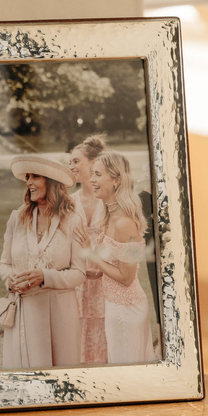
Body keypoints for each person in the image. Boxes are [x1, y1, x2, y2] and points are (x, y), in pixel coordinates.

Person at [0, 154, 86, 369]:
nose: (28, 182)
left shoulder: (73, 221)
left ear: (52, 181)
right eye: (28, 177)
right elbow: (4, 263)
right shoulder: (16, 218)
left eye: (35, 176)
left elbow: (79, 273)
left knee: (61, 379)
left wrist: (44, 277)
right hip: (23, 312)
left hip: (59, 314)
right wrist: (10, 281)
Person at [81, 151, 155, 365]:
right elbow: (116, 266)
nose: (91, 180)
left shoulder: (124, 223)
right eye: (92, 174)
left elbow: (126, 277)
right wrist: (94, 272)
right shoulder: (109, 214)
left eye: (97, 175)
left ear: (116, 180)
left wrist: (92, 255)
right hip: (115, 306)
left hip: (127, 311)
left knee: (128, 375)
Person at [69, 135, 108, 365]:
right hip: (78, 284)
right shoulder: (69, 202)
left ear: (93, 163)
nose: (72, 167)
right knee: (78, 336)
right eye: (70, 163)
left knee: (106, 335)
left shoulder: (111, 200)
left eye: (76, 161)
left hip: (108, 283)